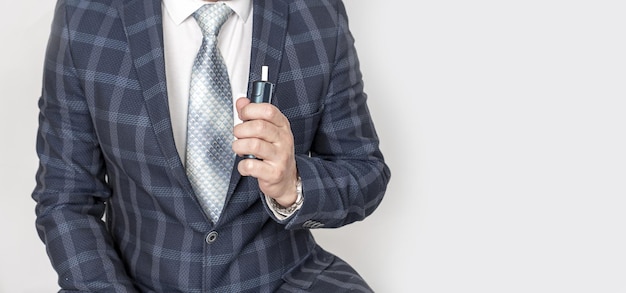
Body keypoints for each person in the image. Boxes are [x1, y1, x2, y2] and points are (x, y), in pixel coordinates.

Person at [32, 0, 390, 291]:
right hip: (133, 282)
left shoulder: (317, 13)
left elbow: (365, 171)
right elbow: (66, 199)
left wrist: (294, 184)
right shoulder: (85, 15)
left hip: (283, 277)